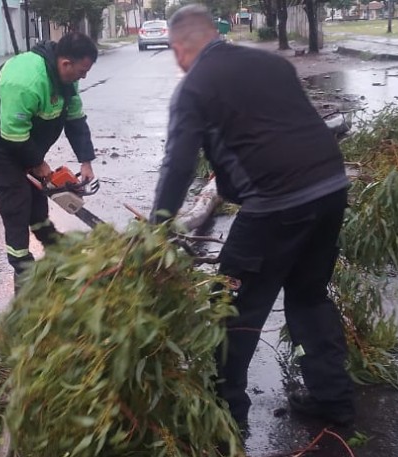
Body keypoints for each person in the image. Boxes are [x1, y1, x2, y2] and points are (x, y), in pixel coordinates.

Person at [150, 4, 355, 430]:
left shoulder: (195, 87)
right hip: (332, 188)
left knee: (232, 309)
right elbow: (276, 131)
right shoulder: (269, 63)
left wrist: (157, 228)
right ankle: (333, 399)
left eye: (174, 52)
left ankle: (226, 419)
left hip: (277, 205)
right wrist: (230, 184)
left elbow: (178, 165)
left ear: (181, 45)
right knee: (309, 295)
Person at [0, 32, 98, 287]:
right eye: (82, 71)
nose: (84, 77)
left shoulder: (68, 80)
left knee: (37, 191)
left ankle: (50, 241)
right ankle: (22, 264)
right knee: (16, 196)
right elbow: (12, 135)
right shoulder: (27, 80)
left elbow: (75, 120)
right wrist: (39, 165)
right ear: (65, 64)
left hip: (23, 138)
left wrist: (86, 162)